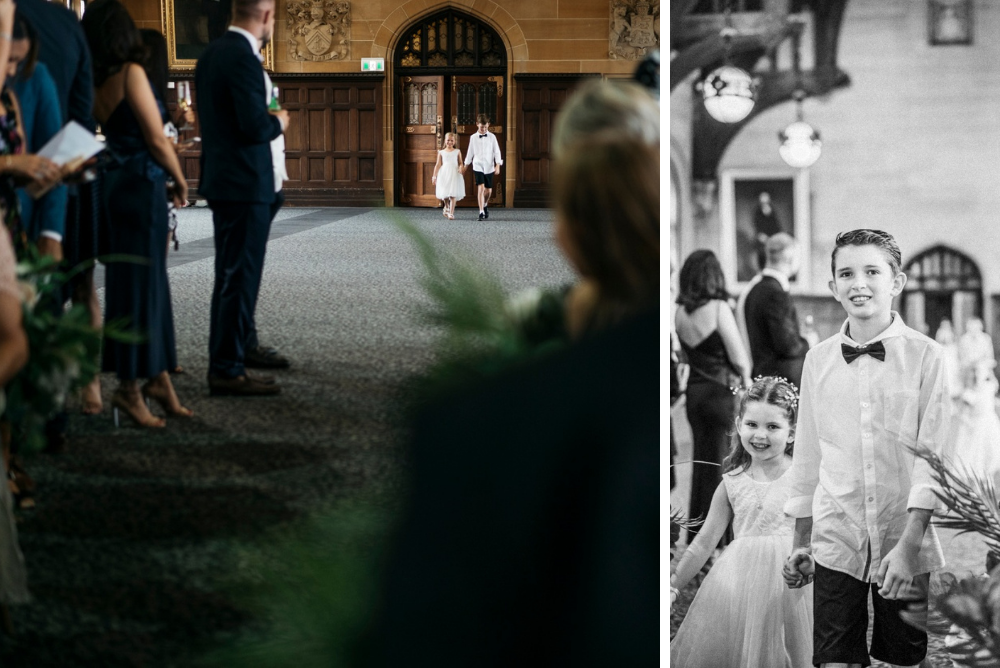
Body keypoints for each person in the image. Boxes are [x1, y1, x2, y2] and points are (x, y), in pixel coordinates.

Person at [784, 229, 950, 668]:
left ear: (897, 281)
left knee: (902, 657)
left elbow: (932, 461)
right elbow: (808, 457)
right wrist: (801, 540)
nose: (858, 283)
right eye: (846, 273)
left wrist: (910, 545)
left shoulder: (926, 356)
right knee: (835, 658)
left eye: (871, 271)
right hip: (837, 534)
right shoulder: (817, 359)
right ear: (832, 287)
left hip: (903, 532)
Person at [82, 0, 192, 427]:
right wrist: (180, 181)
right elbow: (156, 138)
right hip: (143, 185)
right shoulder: (132, 73)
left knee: (140, 283)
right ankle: (129, 388)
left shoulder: (91, 81)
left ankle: (159, 378)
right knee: (140, 287)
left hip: (113, 183)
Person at [670, 376, 812, 667]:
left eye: (772, 427)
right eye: (752, 425)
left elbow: (818, 533)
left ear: (792, 433)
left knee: (795, 651)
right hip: (740, 583)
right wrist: (673, 586)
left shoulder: (802, 478)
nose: (760, 435)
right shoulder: (731, 483)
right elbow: (703, 543)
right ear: (738, 425)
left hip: (793, 584)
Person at [195, 0, 289, 396]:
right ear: (266, 16)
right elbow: (252, 126)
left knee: (235, 273)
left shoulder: (213, 54)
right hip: (243, 186)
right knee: (239, 276)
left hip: (237, 182)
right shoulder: (241, 57)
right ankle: (226, 367)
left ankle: (242, 346)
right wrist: (280, 121)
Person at [17, 0, 101, 424]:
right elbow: (83, 112)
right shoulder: (67, 21)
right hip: (63, 176)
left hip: (19, 185)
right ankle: (79, 393)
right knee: (72, 285)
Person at [675, 250, 751, 537]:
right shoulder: (719, 308)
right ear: (713, 276)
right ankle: (722, 537)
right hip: (721, 395)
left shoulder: (679, 313)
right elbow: (740, 358)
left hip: (695, 396)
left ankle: (697, 533)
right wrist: (747, 381)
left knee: (700, 464)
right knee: (723, 465)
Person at [735, 232, 810, 388]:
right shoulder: (775, 293)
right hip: (777, 384)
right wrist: (809, 341)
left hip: (760, 378)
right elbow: (788, 346)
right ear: (791, 258)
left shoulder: (754, 288)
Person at [463, 113, 502, 222]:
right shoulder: (473, 138)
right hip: (478, 165)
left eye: (485, 127)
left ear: (488, 125)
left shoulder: (492, 137)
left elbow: (497, 151)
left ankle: (485, 204)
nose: (483, 129)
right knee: (481, 188)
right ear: (477, 125)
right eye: (481, 127)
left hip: (489, 166)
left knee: (488, 191)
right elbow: (470, 153)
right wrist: (465, 166)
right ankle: (481, 211)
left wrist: (497, 165)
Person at [431, 132, 464, 220]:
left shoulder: (457, 151)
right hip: (444, 173)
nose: (450, 142)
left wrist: (461, 167)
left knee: (453, 193)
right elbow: (438, 164)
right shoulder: (441, 152)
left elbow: (461, 162)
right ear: (445, 141)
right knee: (445, 193)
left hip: (454, 173)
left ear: (455, 141)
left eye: (452, 140)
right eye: (448, 140)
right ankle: (446, 206)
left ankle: (451, 213)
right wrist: (434, 176)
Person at [752, 191, 782, 273]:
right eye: (762, 201)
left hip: (772, 238)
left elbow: (776, 227)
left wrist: (771, 238)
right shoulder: (757, 213)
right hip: (761, 239)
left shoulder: (773, 213)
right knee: (761, 253)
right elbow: (757, 226)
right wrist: (762, 236)